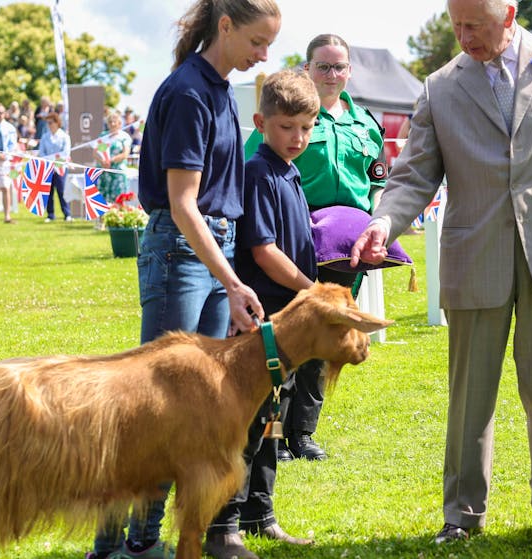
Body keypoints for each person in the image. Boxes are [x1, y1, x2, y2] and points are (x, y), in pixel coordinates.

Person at [351, 0, 532, 547]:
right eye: (457, 25)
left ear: (510, 15)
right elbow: (412, 176)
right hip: (475, 255)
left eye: (476, 25)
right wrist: (384, 223)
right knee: (470, 396)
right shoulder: (440, 87)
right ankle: (462, 516)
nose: (465, 36)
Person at [86, 1, 279, 557]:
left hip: (207, 250)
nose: (264, 56)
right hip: (182, 249)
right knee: (151, 408)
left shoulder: (217, 88)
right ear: (225, 26)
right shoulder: (191, 92)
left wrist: (229, 276)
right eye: (257, 42)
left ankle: (148, 540)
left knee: (195, 406)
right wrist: (234, 280)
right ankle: (119, 543)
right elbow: (183, 204)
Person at [244, 33, 388, 462]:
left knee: (328, 338)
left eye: (339, 66)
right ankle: (273, 432)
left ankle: (303, 432)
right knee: (288, 335)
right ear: (307, 69)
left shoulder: (365, 123)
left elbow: (378, 182)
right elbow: (259, 169)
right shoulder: (290, 115)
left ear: (349, 71)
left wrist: (376, 227)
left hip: (350, 248)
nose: (331, 74)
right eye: (323, 66)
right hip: (295, 244)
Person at [208, 67, 320, 559]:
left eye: (306, 127)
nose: (297, 137)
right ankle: (223, 525)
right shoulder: (258, 173)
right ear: (260, 122)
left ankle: (261, 514)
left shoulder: (289, 172)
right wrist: (310, 289)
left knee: (274, 421)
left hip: (287, 326)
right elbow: (263, 250)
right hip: (262, 324)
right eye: (286, 127)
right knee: (249, 423)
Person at [38, 112, 73, 222]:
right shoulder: (45, 136)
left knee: (62, 190)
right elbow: (42, 152)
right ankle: (50, 214)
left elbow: (65, 152)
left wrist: (56, 162)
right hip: (48, 167)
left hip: (60, 167)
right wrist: (49, 162)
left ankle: (67, 214)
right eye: (47, 123)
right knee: (48, 191)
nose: (49, 125)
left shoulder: (64, 136)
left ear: (57, 123)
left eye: (51, 122)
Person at [94, 111, 134, 208]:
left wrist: (111, 160)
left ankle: (117, 220)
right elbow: (95, 152)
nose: (112, 124)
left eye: (114, 121)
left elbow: (125, 154)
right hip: (104, 171)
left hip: (118, 171)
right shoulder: (102, 136)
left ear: (120, 123)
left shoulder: (124, 137)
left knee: (118, 198)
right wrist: (102, 161)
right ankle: (102, 221)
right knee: (102, 198)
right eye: (110, 122)